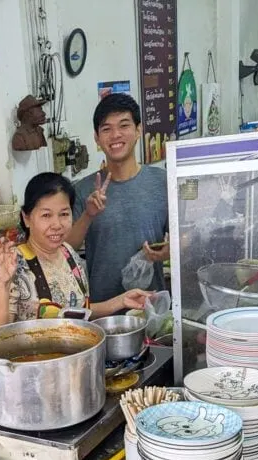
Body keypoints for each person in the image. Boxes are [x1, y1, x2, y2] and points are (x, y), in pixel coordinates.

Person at [0, 172, 150, 330]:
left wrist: (121, 301)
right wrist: (3, 283)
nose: (57, 224)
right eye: (46, 215)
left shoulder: (67, 252)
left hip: (76, 354)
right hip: (36, 358)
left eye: (64, 214)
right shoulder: (15, 263)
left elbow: (80, 312)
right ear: (27, 218)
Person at [68, 93, 169, 303]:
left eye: (124, 125)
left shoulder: (162, 182)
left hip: (151, 306)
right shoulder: (83, 189)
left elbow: (184, 237)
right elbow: (66, 248)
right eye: (106, 129)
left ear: (139, 130)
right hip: (103, 313)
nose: (115, 135)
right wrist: (88, 214)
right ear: (96, 137)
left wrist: (171, 251)